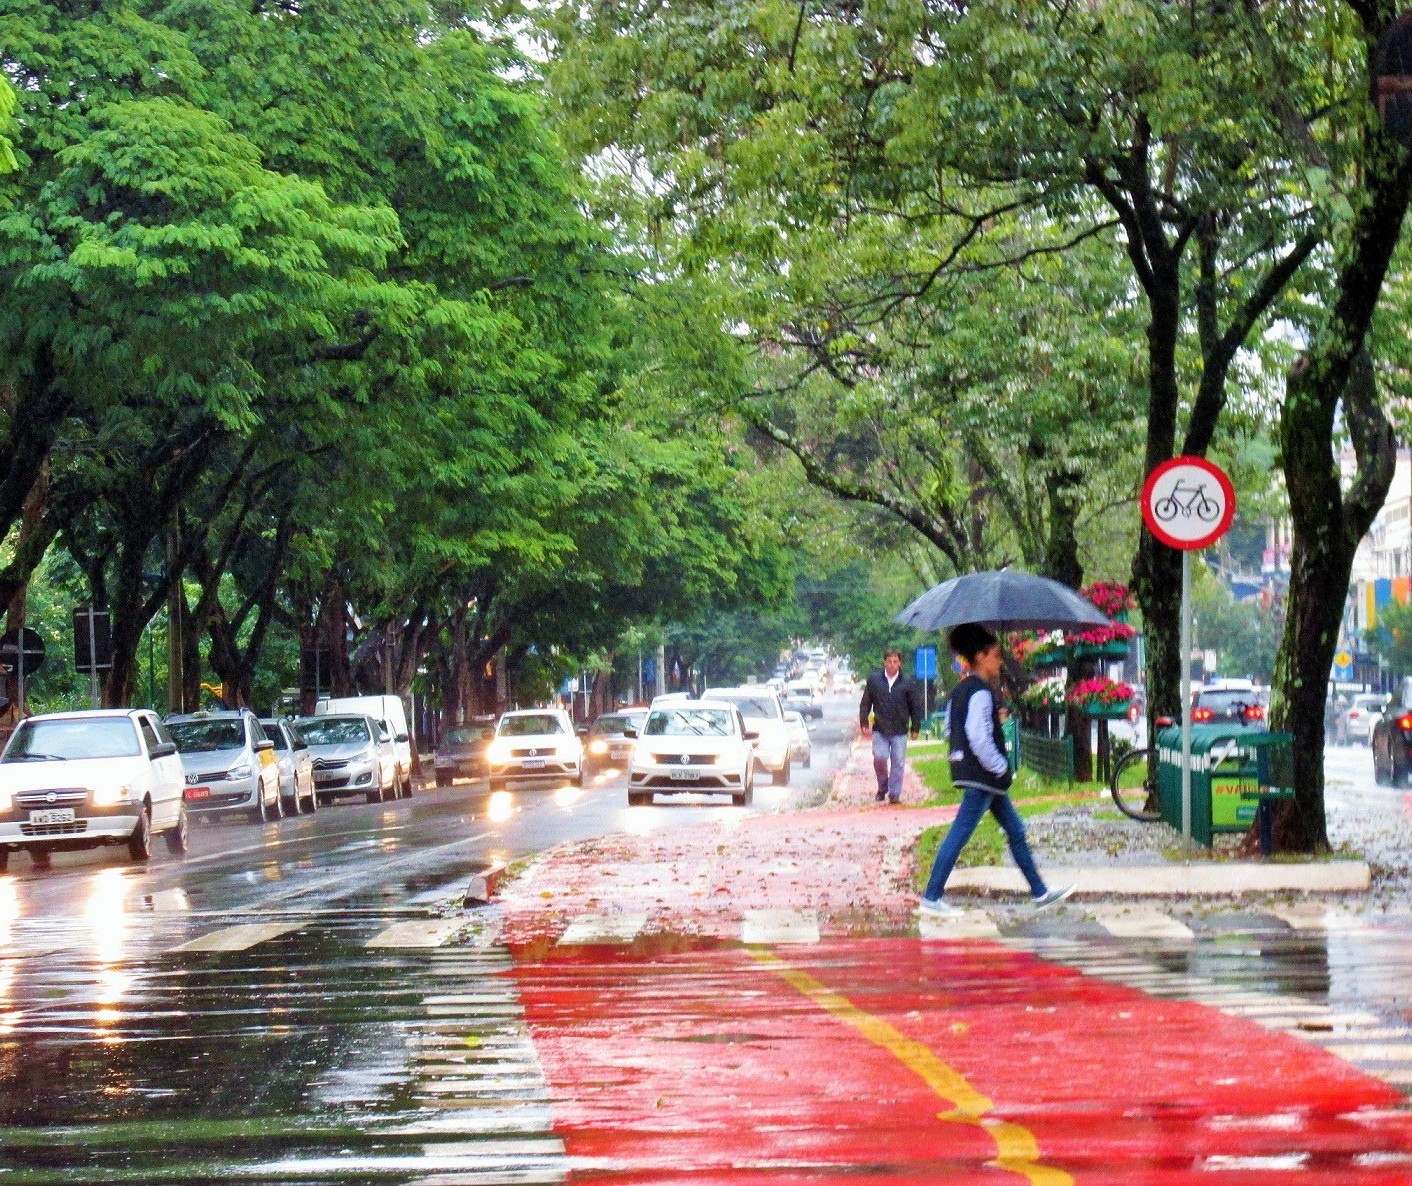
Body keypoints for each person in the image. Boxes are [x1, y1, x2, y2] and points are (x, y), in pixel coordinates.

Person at [917, 623, 1074, 915]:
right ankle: (932, 896)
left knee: (1015, 828)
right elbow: (977, 734)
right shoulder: (981, 692)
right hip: (984, 776)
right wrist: (1000, 765)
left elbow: (952, 729)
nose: (1000, 662)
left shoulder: (960, 690)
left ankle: (1039, 891)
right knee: (960, 833)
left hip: (976, 774)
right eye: (995, 655)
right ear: (980, 656)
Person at [859, 648, 925, 803]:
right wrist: (864, 722)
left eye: (895, 662)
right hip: (880, 729)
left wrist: (915, 727)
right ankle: (883, 787)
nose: (892, 665)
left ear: (900, 663)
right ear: (884, 662)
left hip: (900, 730)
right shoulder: (875, 681)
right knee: (879, 757)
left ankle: (894, 794)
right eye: (889, 661)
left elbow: (915, 706)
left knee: (898, 763)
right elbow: (866, 702)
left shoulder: (907, 682)